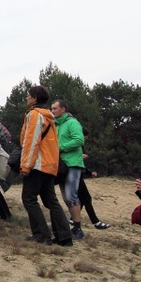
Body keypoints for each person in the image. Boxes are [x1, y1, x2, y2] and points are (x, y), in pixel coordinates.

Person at [20, 86, 72, 246]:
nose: (27, 98)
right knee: (51, 200)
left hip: (37, 163)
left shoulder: (35, 115)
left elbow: (31, 141)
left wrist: (26, 165)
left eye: (28, 96)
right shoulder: (50, 117)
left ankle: (42, 235)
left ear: (35, 98)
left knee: (28, 198)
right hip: (49, 164)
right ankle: (64, 237)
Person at [51, 99, 86, 239]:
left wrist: (60, 148)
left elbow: (79, 140)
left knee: (71, 195)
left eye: (55, 108)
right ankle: (73, 226)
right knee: (66, 196)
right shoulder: (56, 125)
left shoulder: (72, 123)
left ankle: (78, 228)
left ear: (63, 109)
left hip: (72, 164)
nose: (52, 111)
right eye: (52, 109)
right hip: (61, 165)